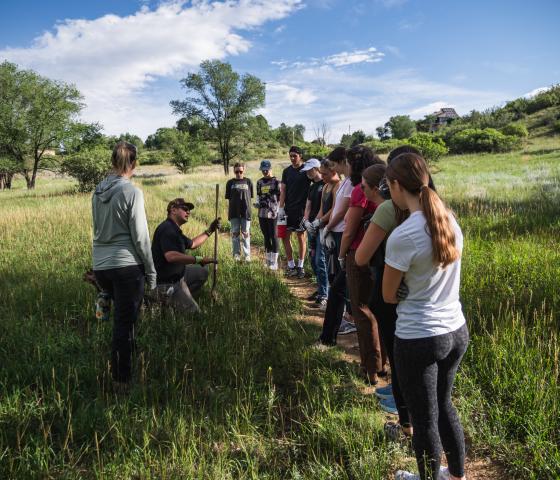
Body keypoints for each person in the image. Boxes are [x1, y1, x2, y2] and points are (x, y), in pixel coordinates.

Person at [383, 153, 468, 480]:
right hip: (456, 329)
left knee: (424, 418)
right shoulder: (449, 219)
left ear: (395, 185)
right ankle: (457, 475)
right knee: (445, 405)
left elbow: (389, 295)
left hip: (419, 336)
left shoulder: (403, 236)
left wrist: (405, 288)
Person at [92, 141, 156, 389]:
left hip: (102, 266)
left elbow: (97, 229)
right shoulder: (132, 192)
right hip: (126, 266)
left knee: (121, 322)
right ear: (134, 163)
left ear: (112, 162)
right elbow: (141, 237)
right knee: (124, 325)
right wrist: (151, 272)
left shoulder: (97, 191)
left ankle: (123, 367)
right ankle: (122, 381)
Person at [355, 164, 412, 437]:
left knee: (397, 347)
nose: (362, 191)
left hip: (390, 287)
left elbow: (361, 257)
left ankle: (406, 419)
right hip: (421, 299)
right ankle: (405, 406)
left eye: (365, 187)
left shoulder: (387, 211)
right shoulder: (434, 214)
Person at [337, 148, 386, 385]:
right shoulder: (384, 191)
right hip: (384, 254)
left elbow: (349, 230)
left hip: (360, 253)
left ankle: (370, 368)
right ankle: (382, 363)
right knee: (381, 310)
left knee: (361, 310)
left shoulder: (360, 190)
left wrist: (341, 253)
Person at [151, 198, 220, 312]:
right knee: (195, 314)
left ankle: (181, 298)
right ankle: (166, 300)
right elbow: (171, 256)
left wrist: (210, 230)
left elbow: (192, 244)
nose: (188, 212)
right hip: (167, 283)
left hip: (179, 276)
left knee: (203, 272)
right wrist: (198, 259)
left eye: (189, 210)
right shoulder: (167, 229)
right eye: (185, 209)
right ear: (173, 210)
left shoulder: (175, 230)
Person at [318, 146, 356, 344]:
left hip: (343, 234)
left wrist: (328, 227)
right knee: (338, 282)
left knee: (342, 284)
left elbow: (343, 212)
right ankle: (340, 324)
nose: (335, 169)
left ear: (343, 162)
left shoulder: (350, 184)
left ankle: (349, 318)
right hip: (337, 231)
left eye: (334, 165)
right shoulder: (345, 183)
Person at [279, 146, 311, 278]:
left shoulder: (306, 171)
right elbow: (283, 190)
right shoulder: (286, 171)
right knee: (285, 237)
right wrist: (281, 208)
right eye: (290, 156)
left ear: (300, 156)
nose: (292, 158)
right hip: (288, 210)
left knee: (301, 237)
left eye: (295, 156)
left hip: (302, 210)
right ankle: (291, 266)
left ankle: (301, 266)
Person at [301, 158, 327, 303]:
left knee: (320, 259)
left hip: (321, 226)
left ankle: (324, 293)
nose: (307, 173)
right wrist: (305, 220)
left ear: (316, 169)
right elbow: (308, 205)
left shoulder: (325, 184)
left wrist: (318, 222)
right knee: (312, 259)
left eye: (309, 170)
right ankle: (320, 288)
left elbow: (326, 207)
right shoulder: (312, 187)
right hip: (311, 225)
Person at [225, 162, 254, 261]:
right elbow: (229, 198)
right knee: (235, 233)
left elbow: (250, 197)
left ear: (244, 170)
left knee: (246, 233)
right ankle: (236, 254)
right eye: (236, 171)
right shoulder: (230, 183)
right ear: (234, 171)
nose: (238, 173)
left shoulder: (248, 182)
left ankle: (247, 255)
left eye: (240, 171)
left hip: (246, 212)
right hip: (234, 212)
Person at [255, 160, 281, 270]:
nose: (265, 172)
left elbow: (281, 198)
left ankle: (274, 262)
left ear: (270, 168)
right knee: (266, 236)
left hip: (273, 213)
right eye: (263, 170)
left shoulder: (276, 182)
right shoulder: (259, 182)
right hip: (262, 213)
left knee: (274, 236)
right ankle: (268, 260)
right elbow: (258, 195)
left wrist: (279, 209)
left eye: (266, 169)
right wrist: (257, 203)